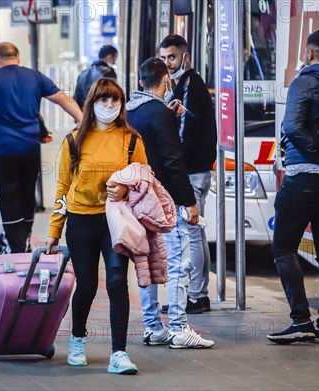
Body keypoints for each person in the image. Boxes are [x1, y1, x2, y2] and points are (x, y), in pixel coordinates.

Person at [46, 78, 145, 374]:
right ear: (92, 104)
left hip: (116, 221)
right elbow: (62, 187)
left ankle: (119, 353)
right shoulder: (74, 139)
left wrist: (127, 190)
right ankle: (77, 339)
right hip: (80, 220)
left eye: (115, 101)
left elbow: (144, 179)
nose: (110, 106)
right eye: (104, 100)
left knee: (117, 282)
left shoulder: (131, 140)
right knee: (87, 284)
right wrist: (54, 230)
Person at [266, 30, 319, 345]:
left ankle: (301, 321)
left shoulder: (304, 81)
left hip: (304, 177)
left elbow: (291, 127)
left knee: (283, 248)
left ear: (309, 53)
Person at [0, 42, 82, 254]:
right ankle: (21, 243)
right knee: (26, 197)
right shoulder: (34, 76)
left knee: (6, 200)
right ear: (18, 57)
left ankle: (15, 249)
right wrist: (81, 121)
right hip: (29, 148)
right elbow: (62, 98)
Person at [126, 57, 214, 349]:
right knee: (178, 262)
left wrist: (168, 116)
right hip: (163, 200)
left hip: (136, 200)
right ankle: (178, 327)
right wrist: (188, 202)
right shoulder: (159, 113)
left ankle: (153, 327)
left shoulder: (128, 112)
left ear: (140, 82)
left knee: (146, 263)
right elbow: (173, 161)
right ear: (166, 81)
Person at [159, 34, 217, 314]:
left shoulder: (191, 85)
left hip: (192, 172)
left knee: (190, 233)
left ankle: (195, 295)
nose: (167, 63)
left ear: (185, 56)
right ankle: (197, 294)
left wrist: (174, 169)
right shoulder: (181, 84)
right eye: (163, 58)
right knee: (196, 233)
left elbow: (185, 135)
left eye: (171, 57)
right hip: (195, 170)